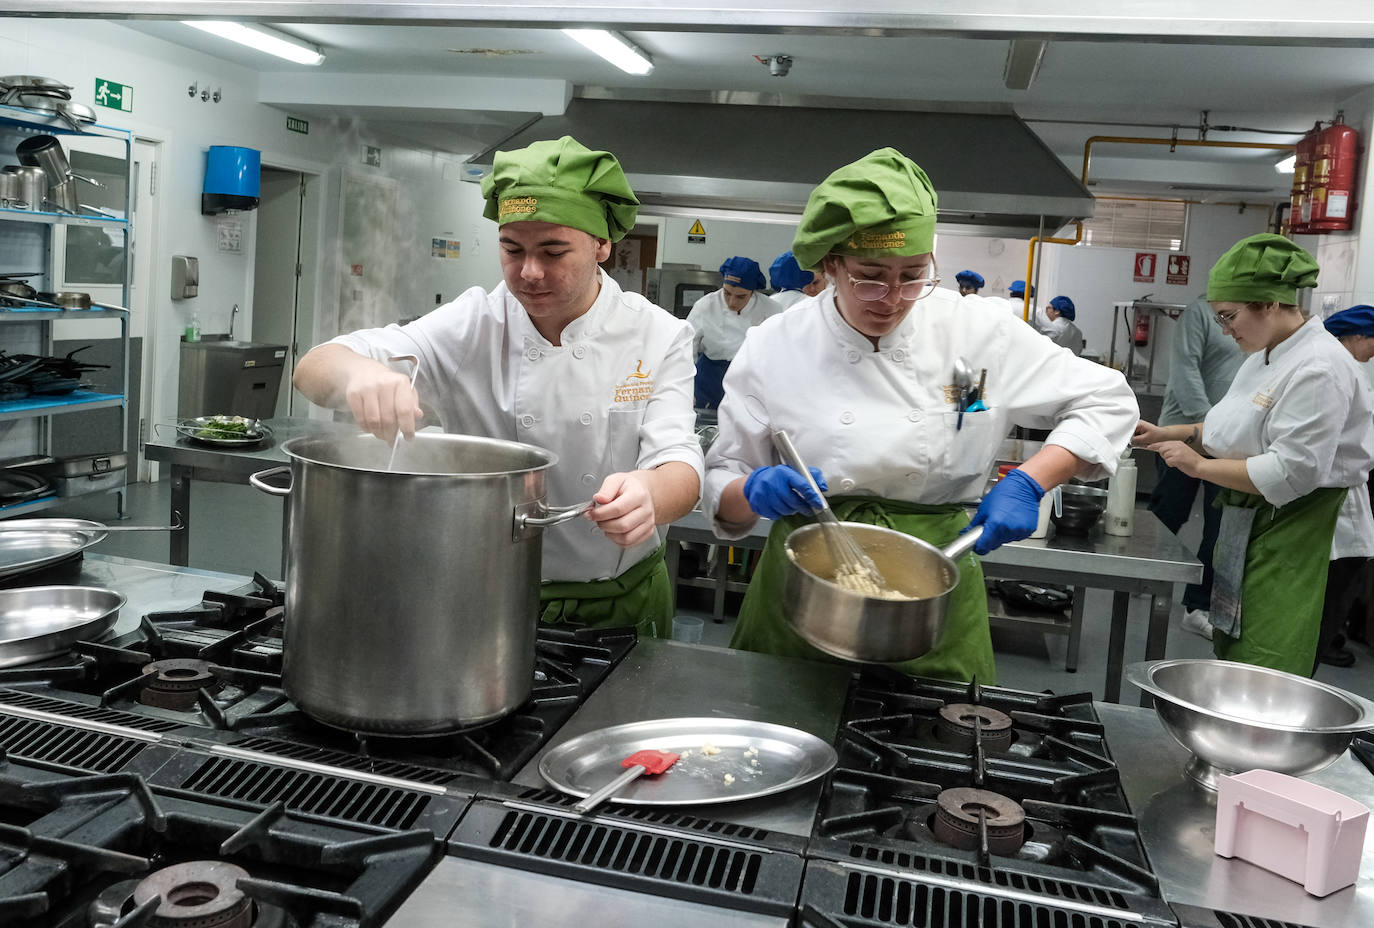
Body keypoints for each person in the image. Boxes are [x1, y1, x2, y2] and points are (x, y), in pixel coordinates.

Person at [703, 147, 1138, 683]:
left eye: (913, 276)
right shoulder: (775, 344)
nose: (892, 298)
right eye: (869, 277)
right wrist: (751, 493)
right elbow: (725, 475)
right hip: (804, 581)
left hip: (934, 579)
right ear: (830, 265)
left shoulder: (975, 332)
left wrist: (1032, 480)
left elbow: (1108, 398)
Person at [293, 136, 704, 639]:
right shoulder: (476, 322)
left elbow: (681, 466)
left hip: (622, 598)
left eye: (553, 251)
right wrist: (360, 373)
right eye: (512, 249)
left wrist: (649, 494)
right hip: (487, 589)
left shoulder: (657, 334)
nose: (529, 273)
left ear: (602, 245)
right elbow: (314, 368)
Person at [1133, 235, 1374, 677]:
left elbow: (1294, 470)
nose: (1225, 330)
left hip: (1305, 529)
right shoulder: (1266, 356)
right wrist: (1176, 432)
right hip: (1256, 522)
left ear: (1271, 303)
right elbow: (1240, 430)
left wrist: (1199, 466)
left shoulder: (1319, 365)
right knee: (1237, 646)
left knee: (1269, 662)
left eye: (1229, 316)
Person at [1148, 294, 1244, 641]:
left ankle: (1197, 606)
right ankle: (1143, 576)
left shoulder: (1250, 320)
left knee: (1218, 524)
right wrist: (1210, 423)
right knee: (1169, 513)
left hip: (1227, 440)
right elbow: (1184, 368)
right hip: (1185, 430)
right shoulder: (1199, 313)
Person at [1317, 303, 1374, 666]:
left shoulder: (1341, 368)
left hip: (1343, 497)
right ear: (1355, 337)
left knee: (1339, 587)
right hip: (1339, 499)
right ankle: (1321, 647)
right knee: (1336, 589)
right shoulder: (1340, 370)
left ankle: (1325, 642)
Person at [686, 256, 779, 408]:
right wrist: (687, 387)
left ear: (753, 292)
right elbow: (687, 347)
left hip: (748, 379)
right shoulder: (705, 306)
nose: (732, 302)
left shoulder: (771, 309)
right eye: (727, 293)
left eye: (741, 296)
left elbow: (778, 353)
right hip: (709, 376)